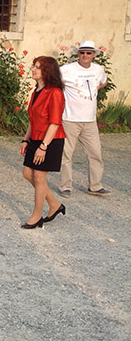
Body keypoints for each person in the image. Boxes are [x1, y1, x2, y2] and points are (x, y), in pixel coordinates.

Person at [19, 56, 66, 229]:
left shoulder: (55, 92)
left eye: (38, 67)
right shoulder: (36, 91)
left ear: (47, 71)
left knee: (39, 177)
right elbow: (33, 120)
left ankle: (36, 215)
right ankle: (54, 204)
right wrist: (26, 139)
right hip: (35, 138)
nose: (33, 69)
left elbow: (54, 123)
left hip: (50, 140)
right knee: (27, 173)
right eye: (33, 66)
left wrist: (43, 147)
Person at [59, 40, 110, 197]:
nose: (85, 56)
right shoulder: (66, 69)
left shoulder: (98, 69)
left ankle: (95, 186)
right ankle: (65, 186)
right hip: (70, 119)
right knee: (66, 154)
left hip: (89, 121)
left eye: (89, 53)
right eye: (82, 53)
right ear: (78, 54)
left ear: (94, 54)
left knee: (95, 153)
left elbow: (104, 81)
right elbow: (54, 82)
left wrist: (95, 89)